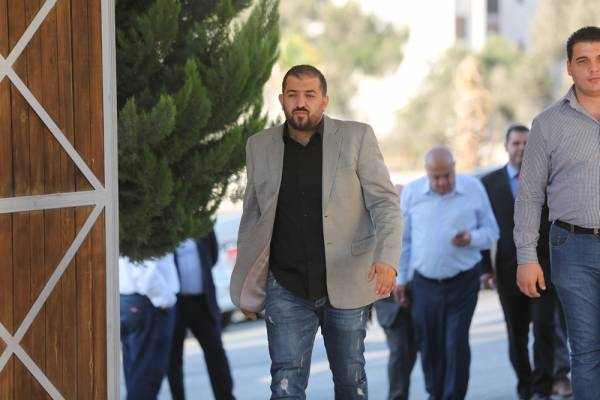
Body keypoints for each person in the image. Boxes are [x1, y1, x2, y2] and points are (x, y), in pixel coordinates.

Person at [230, 64, 402, 399]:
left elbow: (385, 203)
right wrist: (244, 287)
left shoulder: (357, 137)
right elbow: (252, 218)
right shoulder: (258, 146)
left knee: (351, 381)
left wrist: (387, 259)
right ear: (281, 100)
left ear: (324, 100)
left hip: (347, 279)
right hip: (285, 286)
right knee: (285, 383)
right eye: (293, 95)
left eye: (309, 95)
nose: (301, 103)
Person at [515, 26, 600, 400]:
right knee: (586, 350)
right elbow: (529, 195)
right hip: (572, 247)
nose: (593, 68)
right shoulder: (547, 124)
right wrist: (526, 257)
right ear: (569, 67)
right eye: (583, 60)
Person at [397, 146, 499, 400]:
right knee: (429, 344)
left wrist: (471, 237)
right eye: (436, 177)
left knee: (455, 342)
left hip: (463, 282)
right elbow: (404, 241)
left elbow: (492, 231)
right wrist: (401, 280)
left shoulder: (473, 188)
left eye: (447, 176)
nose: (442, 182)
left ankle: (453, 396)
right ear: (427, 172)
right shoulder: (412, 193)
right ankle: (435, 393)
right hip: (424, 284)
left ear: (454, 168)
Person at [479, 124, 556, 400]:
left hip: (545, 268)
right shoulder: (488, 184)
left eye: (526, 143)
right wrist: (485, 269)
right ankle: (525, 386)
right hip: (508, 271)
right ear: (506, 146)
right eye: (516, 143)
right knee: (517, 334)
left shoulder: (548, 178)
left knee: (544, 329)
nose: (522, 148)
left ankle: (542, 388)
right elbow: (482, 226)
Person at [167, 230, 235, 400]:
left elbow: (212, 256)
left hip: (203, 302)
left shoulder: (202, 224)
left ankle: (225, 397)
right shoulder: (167, 226)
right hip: (175, 304)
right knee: (173, 358)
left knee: (216, 353)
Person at [373, 185, 417, 400]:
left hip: (415, 297)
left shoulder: (412, 223)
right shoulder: (377, 224)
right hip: (389, 303)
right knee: (400, 353)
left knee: (411, 353)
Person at [119, 254, 179, 400]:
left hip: (129, 301)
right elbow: (145, 273)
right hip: (148, 303)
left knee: (136, 374)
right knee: (147, 376)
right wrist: (167, 300)